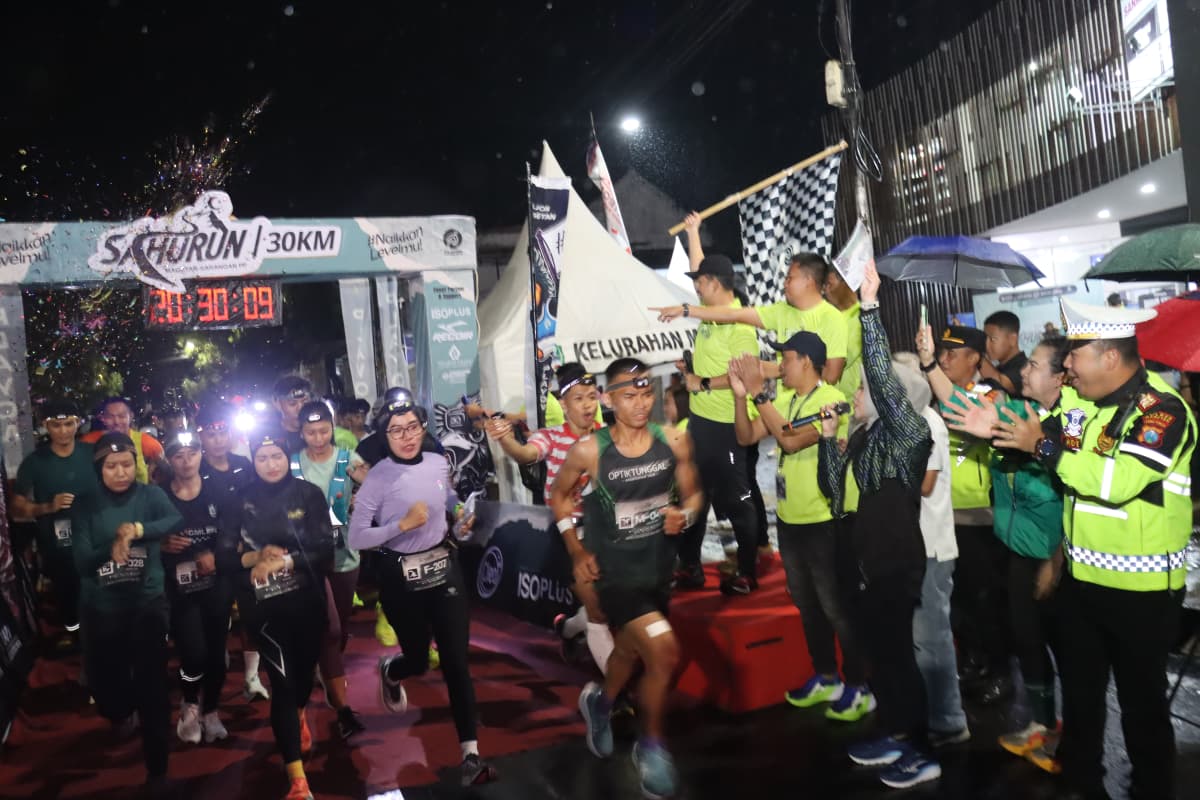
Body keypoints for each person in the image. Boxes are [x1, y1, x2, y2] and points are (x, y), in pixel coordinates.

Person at [992, 298, 1196, 800]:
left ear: (1109, 356)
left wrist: (1042, 446)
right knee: (1081, 701)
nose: (1067, 365)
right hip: (1083, 584)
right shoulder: (1085, 407)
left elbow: (1118, 481)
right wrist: (998, 430)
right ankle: (1081, 785)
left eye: (1075, 355)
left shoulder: (1163, 410)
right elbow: (1046, 437)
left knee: (1142, 710)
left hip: (1142, 593)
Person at [553, 357, 704, 800]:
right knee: (664, 651)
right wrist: (576, 549)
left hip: (657, 571)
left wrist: (685, 515)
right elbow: (559, 498)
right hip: (613, 577)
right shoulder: (589, 450)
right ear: (609, 399)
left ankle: (599, 703)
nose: (640, 404)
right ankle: (650, 747)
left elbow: (694, 495)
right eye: (629, 396)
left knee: (629, 651)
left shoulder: (674, 440)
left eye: (646, 394)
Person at [816, 260, 939, 789]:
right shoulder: (865, 438)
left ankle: (922, 749)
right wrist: (829, 441)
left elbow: (884, 382)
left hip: (894, 564)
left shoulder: (910, 433)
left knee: (898, 659)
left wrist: (868, 309)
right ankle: (894, 732)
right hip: (864, 564)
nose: (857, 393)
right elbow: (832, 490)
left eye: (865, 389)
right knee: (880, 659)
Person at [932, 336, 1071, 768]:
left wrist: (1054, 558)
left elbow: (1072, 496)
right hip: (1016, 547)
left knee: (1065, 647)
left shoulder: (1071, 423)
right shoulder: (1023, 412)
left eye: (1035, 365)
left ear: (1060, 377)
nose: (1023, 370)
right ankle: (1042, 724)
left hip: (1050, 554)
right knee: (1027, 639)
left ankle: (1074, 737)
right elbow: (959, 405)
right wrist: (928, 365)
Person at [348, 396, 497, 787]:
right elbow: (357, 537)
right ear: (385, 436)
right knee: (418, 661)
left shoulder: (437, 462)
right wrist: (400, 526)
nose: (407, 436)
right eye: (397, 430)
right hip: (400, 578)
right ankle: (393, 669)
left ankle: (471, 756)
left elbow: (447, 497)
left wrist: (459, 514)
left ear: (423, 428)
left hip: (444, 568)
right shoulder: (377, 477)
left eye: (413, 427)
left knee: (456, 662)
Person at [728, 338, 874, 722]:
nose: (781, 366)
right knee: (808, 605)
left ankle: (860, 685)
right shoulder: (788, 400)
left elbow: (790, 441)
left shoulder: (832, 401)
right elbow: (746, 436)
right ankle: (826, 676)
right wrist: (741, 397)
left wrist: (759, 394)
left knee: (837, 607)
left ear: (807, 362)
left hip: (825, 520)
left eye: (787, 359)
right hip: (790, 519)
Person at [217, 430, 334, 800]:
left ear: (288, 457)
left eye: (277, 456)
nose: (271, 464)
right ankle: (297, 780)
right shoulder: (238, 499)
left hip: (307, 602)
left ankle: (297, 714)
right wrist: (255, 557)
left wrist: (284, 561)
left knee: (302, 680)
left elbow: (325, 549)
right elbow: (223, 558)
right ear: (253, 460)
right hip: (264, 607)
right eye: (263, 458)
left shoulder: (308, 494)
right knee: (282, 685)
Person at [485, 363, 615, 673]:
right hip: (567, 534)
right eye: (579, 399)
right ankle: (616, 687)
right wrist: (505, 440)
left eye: (591, 397)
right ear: (564, 405)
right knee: (597, 607)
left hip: (606, 532)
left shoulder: (609, 435)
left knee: (604, 605)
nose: (587, 405)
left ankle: (568, 629)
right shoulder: (551, 437)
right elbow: (526, 454)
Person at [72, 432, 183, 792]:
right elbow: (82, 563)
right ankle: (120, 709)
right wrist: (113, 545)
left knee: (153, 688)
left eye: (126, 464)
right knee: (107, 687)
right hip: (102, 608)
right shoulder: (85, 505)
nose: (120, 473)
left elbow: (173, 519)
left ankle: (158, 772)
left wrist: (136, 530)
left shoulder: (151, 495)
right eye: (111, 466)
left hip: (146, 603)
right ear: (99, 469)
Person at [667, 243, 764, 595]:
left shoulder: (741, 324)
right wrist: (692, 369)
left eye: (699, 281)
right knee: (693, 491)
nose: (695, 287)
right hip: (700, 421)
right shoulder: (711, 315)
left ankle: (748, 572)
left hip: (727, 425)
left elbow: (747, 374)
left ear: (714, 283)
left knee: (738, 499)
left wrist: (703, 382)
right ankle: (690, 566)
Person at [890, 352, 969, 747]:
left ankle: (949, 720)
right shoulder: (905, 423)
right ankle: (925, 714)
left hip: (931, 548)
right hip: (911, 545)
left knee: (932, 638)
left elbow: (924, 483)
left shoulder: (928, 422)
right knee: (914, 639)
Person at [931, 324, 1012, 703]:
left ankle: (1000, 670)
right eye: (942, 352)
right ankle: (971, 660)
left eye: (953, 353)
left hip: (980, 515)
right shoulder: (937, 394)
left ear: (975, 359)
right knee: (958, 599)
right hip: (945, 513)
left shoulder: (990, 395)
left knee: (986, 598)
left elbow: (961, 412)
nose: (944, 359)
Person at [652, 251, 849, 396]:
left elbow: (831, 377)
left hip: (818, 416)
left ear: (809, 281)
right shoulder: (781, 311)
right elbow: (733, 314)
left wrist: (780, 369)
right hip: (786, 413)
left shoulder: (832, 319)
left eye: (790, 278)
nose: (784, 283)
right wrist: (686, 310)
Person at [290, 400, 366, 740]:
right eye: (311, 432)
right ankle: (342, 708)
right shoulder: (291, 463)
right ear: (300, 432)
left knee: (340, 629)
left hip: (345, 556)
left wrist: (364, 495)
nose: (318, 438)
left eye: (324, 431)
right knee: (329, 629)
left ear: (333, 428)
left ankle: (327, 671)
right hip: (307, 561)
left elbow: (376, 489)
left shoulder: (349, 459)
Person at [161, 430, 234, 745]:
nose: (186, 461)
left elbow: (233, 531)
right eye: (178, 456)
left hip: (217, 584)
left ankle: (211, 709)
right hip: (179, 589)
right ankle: (190, 702)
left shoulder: (219, 489)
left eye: (192, 453)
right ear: (169, 460)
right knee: (193, 653)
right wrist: (162, 544)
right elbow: (147, 535)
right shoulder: (159, 496)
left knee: (216, 654)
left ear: (201, 454)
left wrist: (217, 555)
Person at [196, 401, 270, 703]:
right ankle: (212, 680)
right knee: (216, 618)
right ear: (201, 436)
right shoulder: (194, 468)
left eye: (223, 432)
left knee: (253, 616)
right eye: (211, 434)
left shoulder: (244, 464)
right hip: (213, 556)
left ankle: (251, 677)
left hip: (245, 553)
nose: (218, 440)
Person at [12, 399, 96, 654]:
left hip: (96, 540)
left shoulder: (92, 454)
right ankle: (76, 640)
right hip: (58, 545)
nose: (63, 431)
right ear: (45, 425)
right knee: (68, 597)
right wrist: (48, 507)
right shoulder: (34, 462)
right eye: (56, 425)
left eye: (68, 424)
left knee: (101, 595)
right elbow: (16, 509)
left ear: (78, 423)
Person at [82, 396, 166, 484]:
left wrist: (154, 468)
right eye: (110, 417)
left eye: (122, 416)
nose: (116, 422)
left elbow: (166, 471)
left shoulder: (146, 443)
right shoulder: (90, 441)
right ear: (103, 418)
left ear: (131, 416)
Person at [272, 376, 357, 455]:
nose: (300, 408)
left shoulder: (334, 435)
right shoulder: (271, 436)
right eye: (292, 404)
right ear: (277, 404)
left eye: (305, 402)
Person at [823, 264, 864, 405]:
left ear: (847, 284)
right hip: (829, 402)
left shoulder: (860, 318)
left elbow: (837, 363)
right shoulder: (831, 317)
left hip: (850, 406)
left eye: (829, 284)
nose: (825, 290)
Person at [981, 310, 1028, 398]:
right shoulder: (999, 368)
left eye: (993, 339)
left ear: (1012, 339)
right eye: (985, 339)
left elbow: (1003, 384)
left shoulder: (1025, 367)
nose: (986, 345)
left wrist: (976, 354)